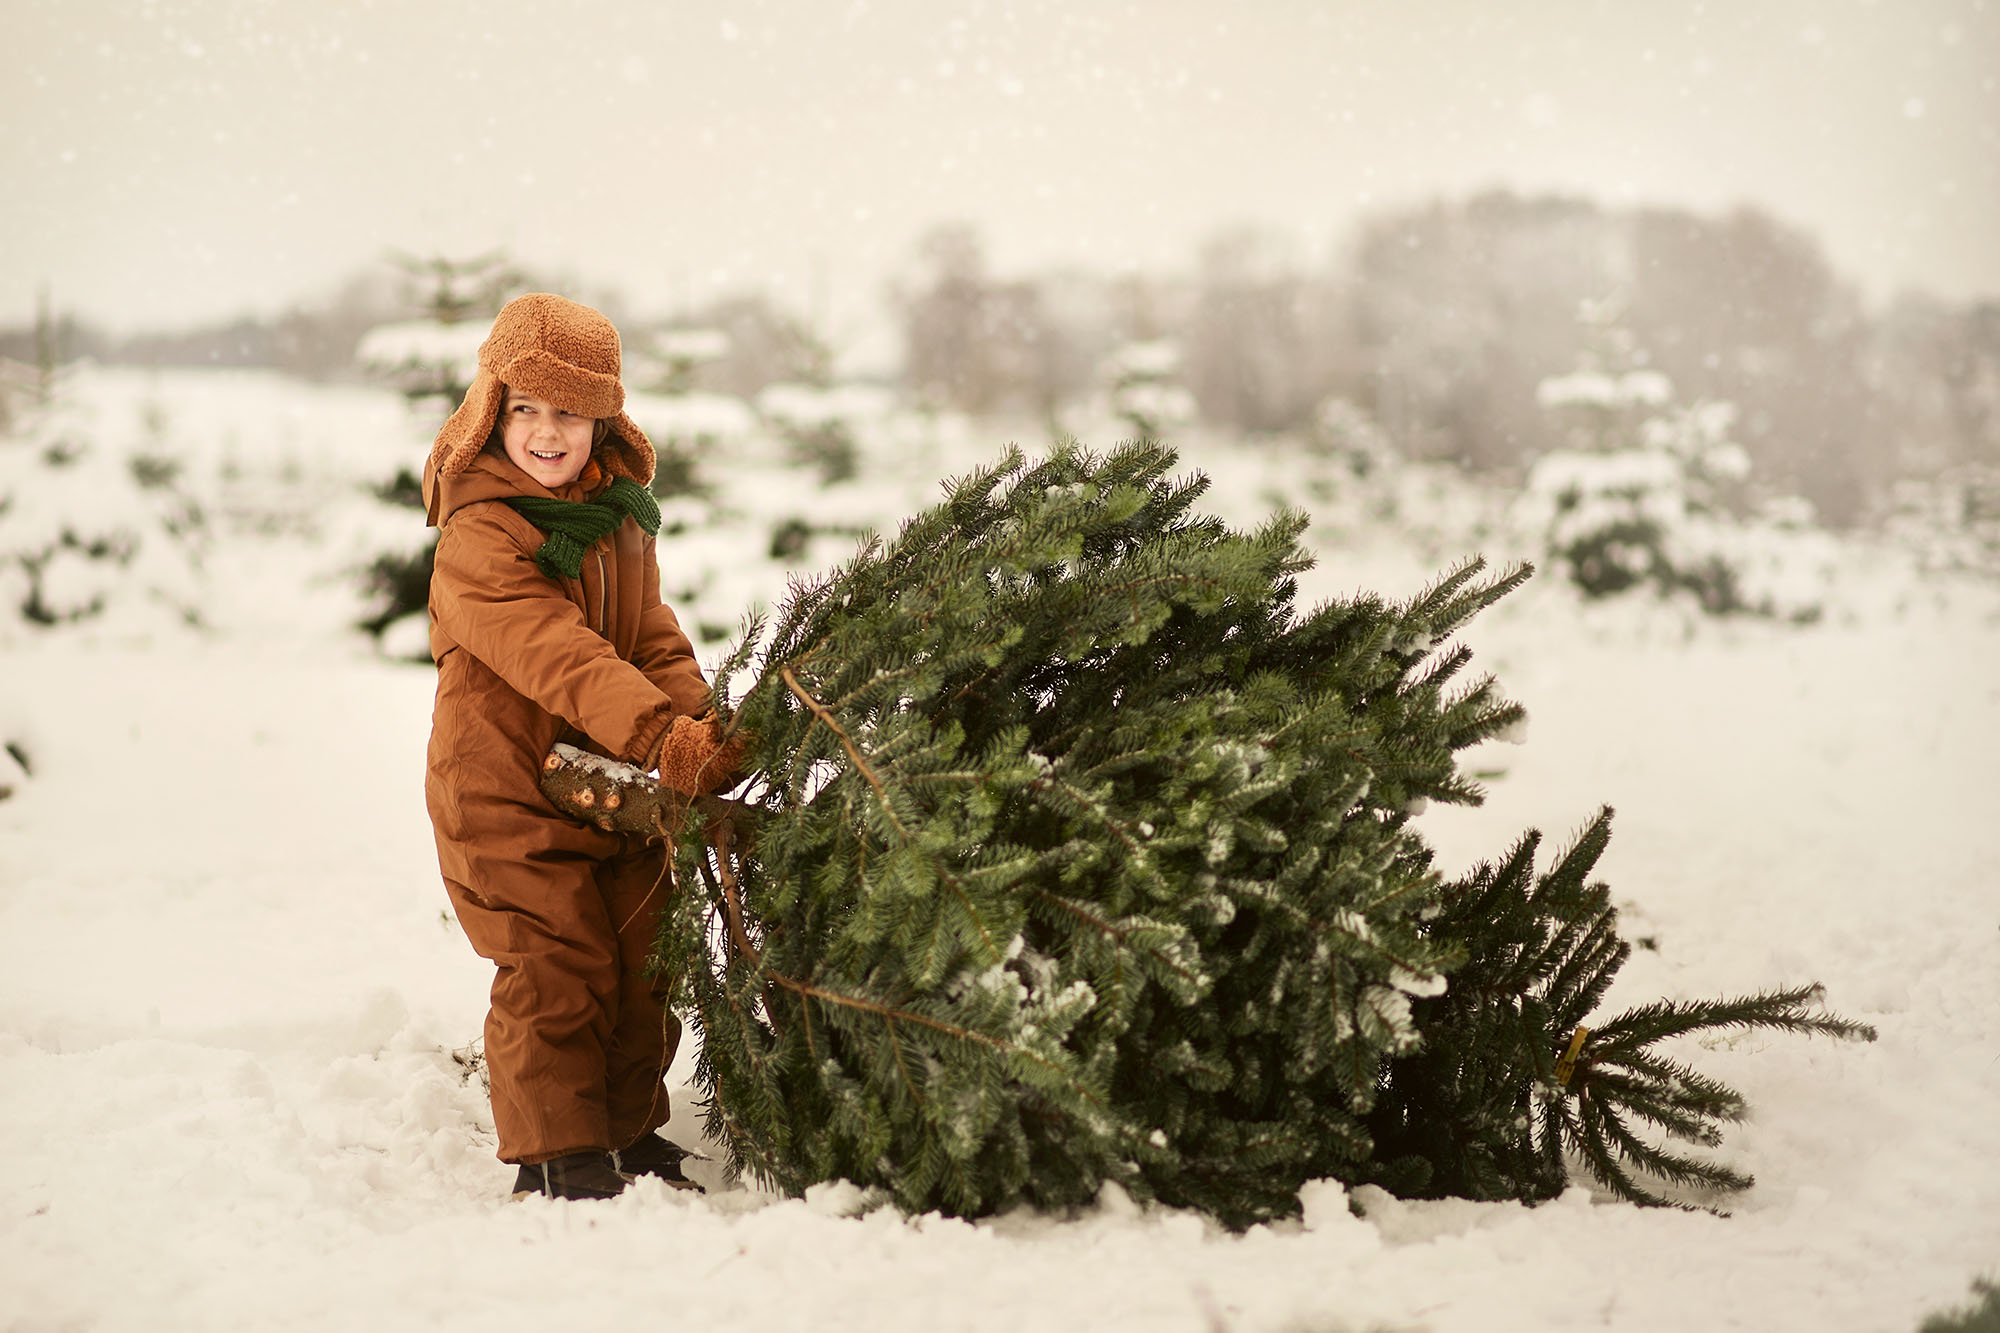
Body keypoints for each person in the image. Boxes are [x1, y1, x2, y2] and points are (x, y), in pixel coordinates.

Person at [421, 292, 742, 1201]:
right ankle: (558, 1152)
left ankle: (626, 1130)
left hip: (603, 785)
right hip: (504, 790)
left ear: (605, 417)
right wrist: (653, 733)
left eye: (570, 411)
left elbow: (648, 637)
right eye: (527, 408)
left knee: (643, 951)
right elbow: (554, 651)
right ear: (493, 409)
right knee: (556, 958)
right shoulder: (480, 532)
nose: (548, 432)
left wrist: (701, 730)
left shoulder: (617, 519)